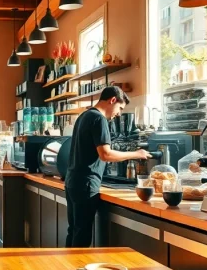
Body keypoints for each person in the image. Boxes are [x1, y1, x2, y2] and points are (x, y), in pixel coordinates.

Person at [64, 86, 151, 248]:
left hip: (72, 182)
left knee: (74, 231)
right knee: (82, 236)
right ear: (112, 100)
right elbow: (106, 154)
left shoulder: (84, 115)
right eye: (120, 108)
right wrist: (137, 154)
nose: (119, 113)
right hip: (86, 184)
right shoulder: (99, 119)